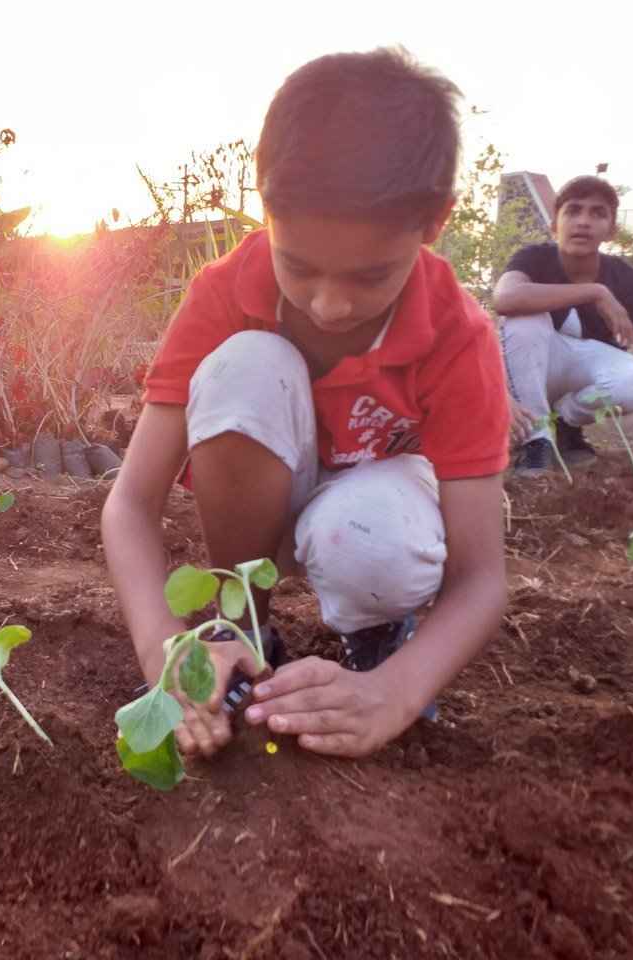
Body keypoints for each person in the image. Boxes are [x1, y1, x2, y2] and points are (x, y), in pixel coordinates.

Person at [101, 49, 509, 761]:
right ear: (264, 205)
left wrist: (397, 692)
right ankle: (244, 627)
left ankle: (379, 643)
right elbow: (131, 504)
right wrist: (162, 645)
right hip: (256, 518)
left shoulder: (458, 335)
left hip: (368, 527)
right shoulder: (225, 294)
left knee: (369, 535)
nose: (329, 303)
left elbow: (479, 576)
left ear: (435, 221)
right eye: (299, 264)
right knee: (246, 366)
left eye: (371, 274)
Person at [493, 176, 633, 475]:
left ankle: (565, 421)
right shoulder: (534, 258)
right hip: (530, 369)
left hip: (583, 371)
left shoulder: (629, 280)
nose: (583, 222)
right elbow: (506, 299)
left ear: (611, 231)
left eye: (597, 214)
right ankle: (536, 440)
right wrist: (595, 291)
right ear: (554, 225)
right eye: (573, 211)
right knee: (524, 322)